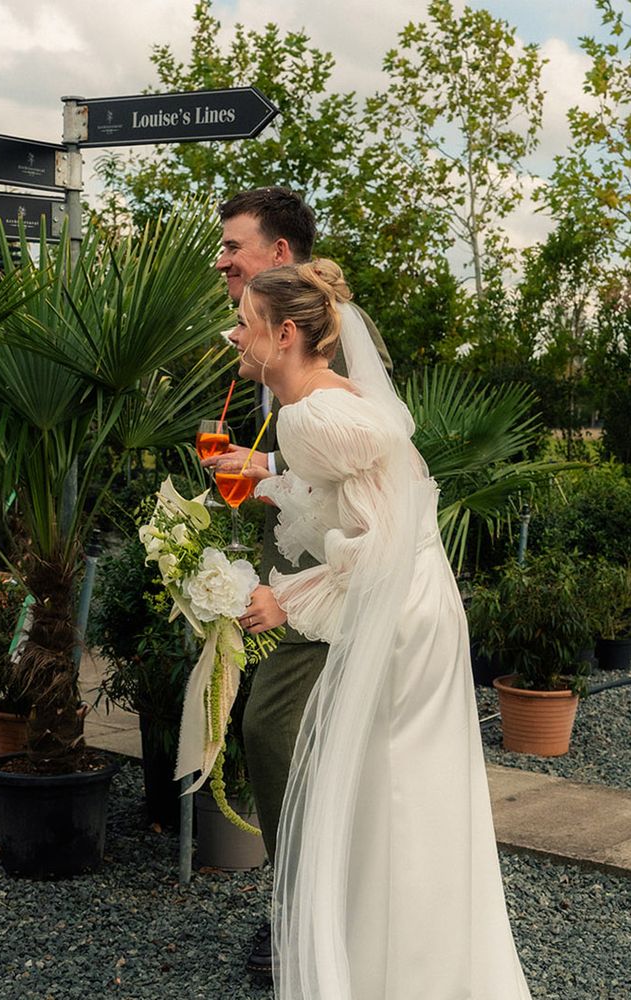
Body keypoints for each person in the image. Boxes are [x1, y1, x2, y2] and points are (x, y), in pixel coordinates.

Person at [218, 259, 533, 999]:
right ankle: (407, 965)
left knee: (391, 792)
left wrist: (286, 600)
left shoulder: (305, 417)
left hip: (396, 610)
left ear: (284, 334)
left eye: (246, 323)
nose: (235, 333)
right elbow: (348, 484)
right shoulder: (330, 402)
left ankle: (401, 977)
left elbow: (377, 540)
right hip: (416, 601)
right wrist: (264, 469)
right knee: (403, 789)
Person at [212, 187, 390, 981]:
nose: (221, 261)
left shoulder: (327, 356)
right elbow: (321, 472)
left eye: (234, 246)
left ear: (277, 257)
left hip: (348, 584)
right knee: (290, 737)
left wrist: (294, 591)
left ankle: (308, 918)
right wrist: (267, 473)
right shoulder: (283, 343)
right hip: (314, 564)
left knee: (286, 734)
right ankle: (306, 912)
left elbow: (373, 490)